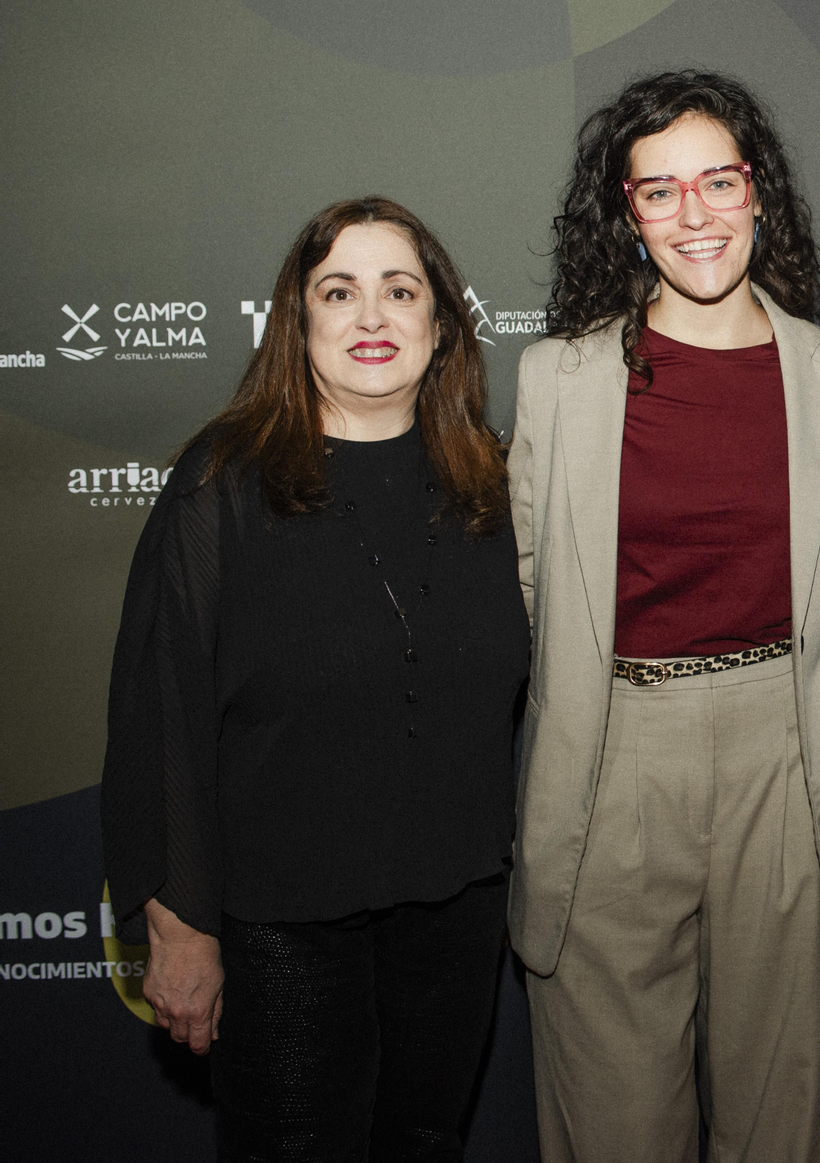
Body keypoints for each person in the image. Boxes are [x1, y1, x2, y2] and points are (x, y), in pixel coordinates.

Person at [100, 196, 529, 1161]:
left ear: (442, 325)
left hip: (455, 914)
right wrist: (179, 925)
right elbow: (161, 713)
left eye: (400, 291)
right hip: (280, 923)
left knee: (424, 1142)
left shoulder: (490, 488)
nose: (372, 318)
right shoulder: (225, 481)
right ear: (298, 325)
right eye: (340, 291)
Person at [509, 69, 820, 1163]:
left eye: (718, 181)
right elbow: (528, 579)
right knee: (613, 1118)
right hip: (610, 751)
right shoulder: (556, 378)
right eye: (659, 192)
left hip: (785, 755)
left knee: (783, 1115)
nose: (695, 214)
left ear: (759, 194)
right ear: (625, 214)